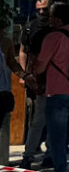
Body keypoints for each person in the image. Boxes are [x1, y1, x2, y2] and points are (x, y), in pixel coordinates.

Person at [34, 3, 69, 172]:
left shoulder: (53, 37)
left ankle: (61, 169)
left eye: (50, 17)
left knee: (58, 139)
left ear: (56, 19)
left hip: (57, 94)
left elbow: (40, 67)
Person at [19, 0, 52, 170]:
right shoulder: (30, 28)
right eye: (39, 9)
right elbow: (23, 52)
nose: (41, 13)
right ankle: (30, 154)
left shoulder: (56, 28)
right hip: (37, 80)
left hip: (53, 81)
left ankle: (48, 154)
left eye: (45, 9)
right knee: (38, 119)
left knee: (51, 120)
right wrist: (25, 75)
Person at [0, 13, 24, 167]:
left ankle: (2, 163)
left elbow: (11, 63)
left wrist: (24, 75)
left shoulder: (5, 42)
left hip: (2, 92)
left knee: (3, 129)